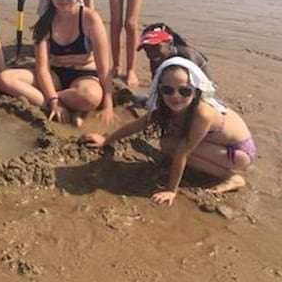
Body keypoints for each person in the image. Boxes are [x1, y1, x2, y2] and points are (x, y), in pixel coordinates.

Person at [83, 57, 256, 203]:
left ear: (195, 92)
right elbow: (140, 124)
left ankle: (230, 177)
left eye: (184, 91)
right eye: (167, 90)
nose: (175, 96)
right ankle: (210, 165)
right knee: (167, 145)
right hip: (216, 143)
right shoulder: (167, 106)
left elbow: (183, 152)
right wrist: (107, 140)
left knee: (175, 148)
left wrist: (171, 190)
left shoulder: (203, 114)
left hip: (238, 152)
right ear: (159, 90)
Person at [0, 0, 114, 127]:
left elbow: (104, 66)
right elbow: (42, 68)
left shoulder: (90, 19)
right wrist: (53, 100)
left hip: (84, 75)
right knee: (5, 78)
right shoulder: (44, 24)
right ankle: (60, 107)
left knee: (91, 97)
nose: (64, 0)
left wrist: (108, 105)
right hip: (55, 75)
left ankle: (48, 101)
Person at [138, 23, 211, 80]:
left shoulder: (187, 57)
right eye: (146, 49)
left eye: (156, 47)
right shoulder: (156, 58)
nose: (150, 53)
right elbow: (155, 83)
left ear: (170, 43)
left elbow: (197, 90)